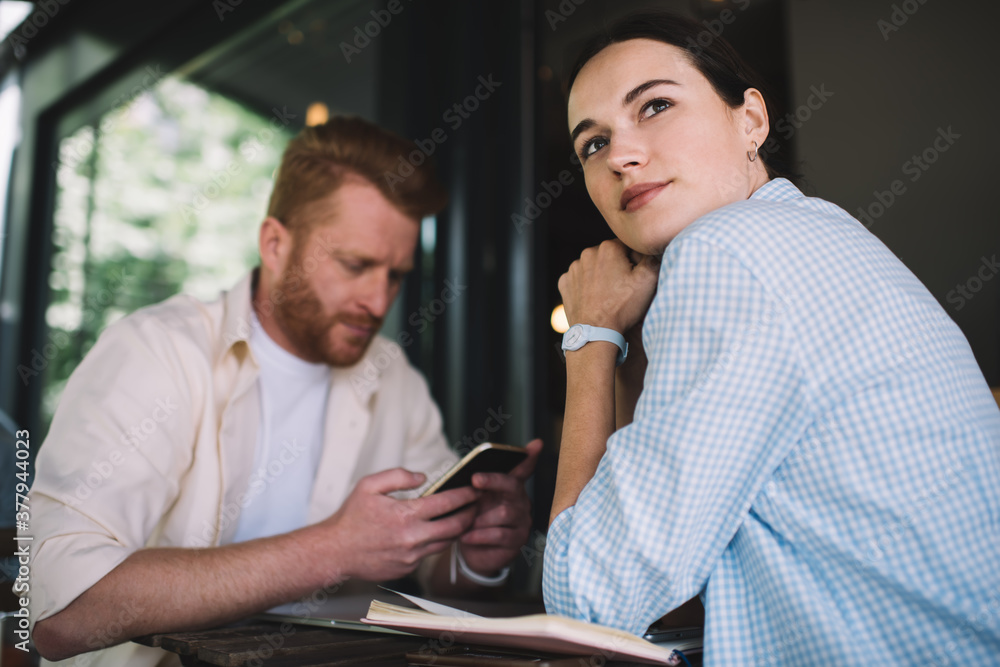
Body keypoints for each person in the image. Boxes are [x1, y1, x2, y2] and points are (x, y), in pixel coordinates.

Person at [543, 11, 1000, 665]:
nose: (620, 155)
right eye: (592, 144)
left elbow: (588, 599)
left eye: (656, 105)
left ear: (751, 119)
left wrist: (590, 334)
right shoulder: (815, 235)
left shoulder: (728, 249)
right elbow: (672, 588)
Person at [29, 115, 542, 666]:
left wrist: (476, 555)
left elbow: (433, 566)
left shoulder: (391, 374)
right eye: (355, 264)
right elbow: (57, 612)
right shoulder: (156, 352)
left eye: (395, 275)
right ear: (275, 244)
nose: (378, 300)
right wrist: (333, 548)